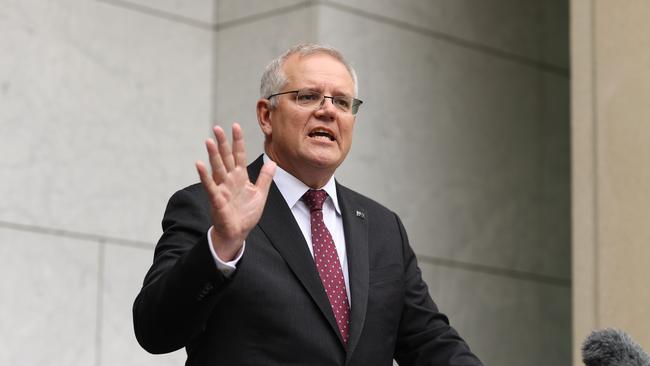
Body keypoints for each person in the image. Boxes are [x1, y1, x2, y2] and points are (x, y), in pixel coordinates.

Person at [133, 43, 483, 366]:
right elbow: (155, 330)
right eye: (309, 96)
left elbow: (428, 340)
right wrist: (222, 246)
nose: (328, 111)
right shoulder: (206, 208)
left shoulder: (382, 227)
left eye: (343, 102)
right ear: (267, 116)